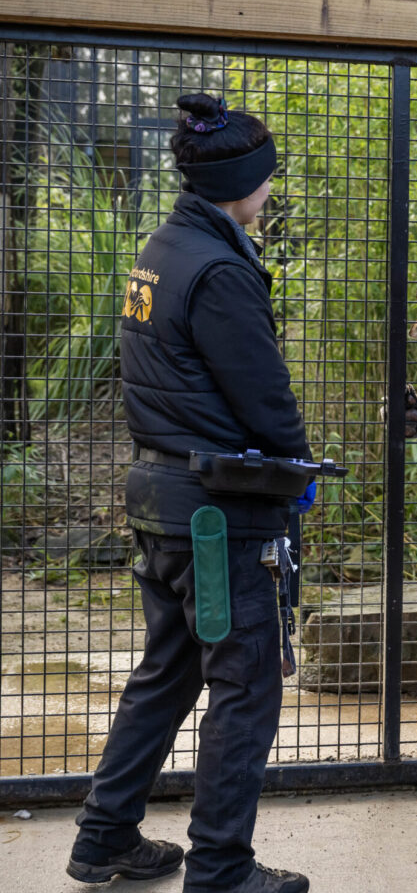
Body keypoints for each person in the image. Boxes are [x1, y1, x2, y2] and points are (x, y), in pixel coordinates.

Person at [67, 94, 314, 893]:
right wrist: (298, 467)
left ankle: (104, 838)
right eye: (267, 176)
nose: (271, 188)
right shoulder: (219, 271)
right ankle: (221, 868)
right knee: (245, 686)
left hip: (164, 496)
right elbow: (263, 395)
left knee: (170, 670)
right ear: (244, 179)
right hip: (219, 511)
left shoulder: (165, 247)